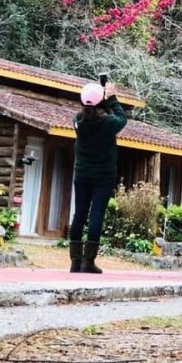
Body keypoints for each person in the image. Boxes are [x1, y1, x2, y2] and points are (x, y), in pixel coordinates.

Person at [69, 81, 127, 273]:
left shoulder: (77, 121)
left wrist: (102, 99)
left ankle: (75, 261)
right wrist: (112, 97)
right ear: (101, 101)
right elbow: (122, 119)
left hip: (81, 174)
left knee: (79, 214)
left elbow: (91, 113)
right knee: (96, 216)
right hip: (103, 177)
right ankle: (88, 262)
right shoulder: (108, 123)